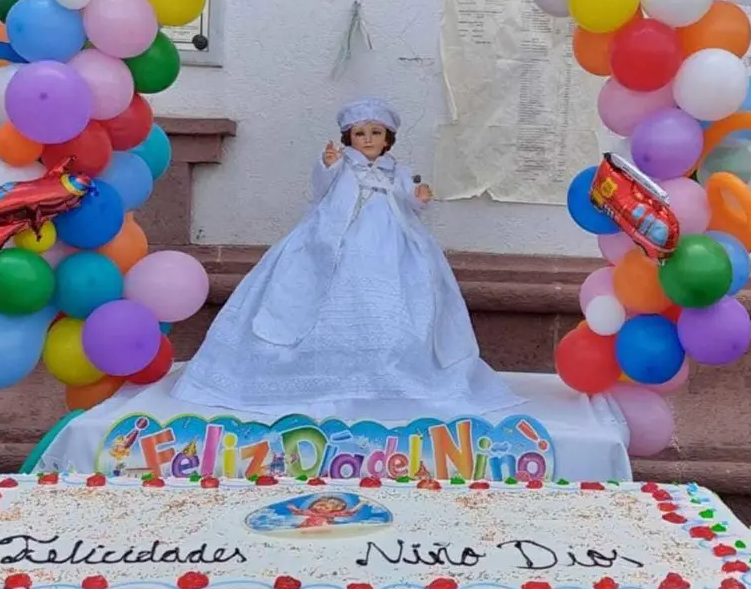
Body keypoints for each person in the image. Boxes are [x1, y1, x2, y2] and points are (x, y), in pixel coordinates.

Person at [170, 97, 523, 419]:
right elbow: (321, 187)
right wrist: (326, 165)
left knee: (395, 309)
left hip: (392, 248)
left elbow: (409, 201)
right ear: (348, 138)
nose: (368, 139)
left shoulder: (396, 172)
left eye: (375, 133)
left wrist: (419, 195)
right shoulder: (342, 166)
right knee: (305, 298)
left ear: (388, 139)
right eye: (359, 133)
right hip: (332, 242)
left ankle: (389, 380)